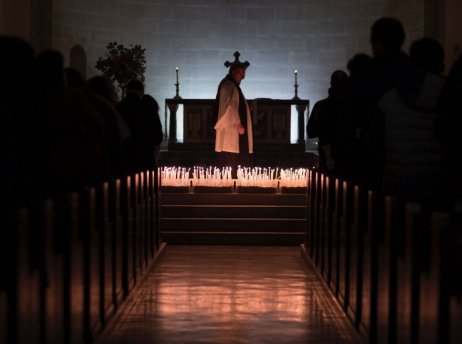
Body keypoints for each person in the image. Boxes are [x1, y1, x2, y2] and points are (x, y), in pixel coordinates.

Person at [370, 37, 445, 209]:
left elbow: (376, 148)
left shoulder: (388, 100)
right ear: (441, 63)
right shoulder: (452, 96)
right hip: (438, 187)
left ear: (411, 61)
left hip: (397, 187)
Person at [214, 52, 253, 178]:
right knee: (231, 163)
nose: (243, 78)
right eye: (242, 75)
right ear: (234, 72)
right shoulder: (228, 85)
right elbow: (228, 108)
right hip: (231, 132)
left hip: (233, 131)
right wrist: (238, 124)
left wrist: (246, 109)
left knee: (234, 161)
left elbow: (235, 104)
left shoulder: (232, 85)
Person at [306, 69, 348, 173]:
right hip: (348, 156)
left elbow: (311, 132)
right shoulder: (353, 106)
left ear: (331, 84)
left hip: (327, 155)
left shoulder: (321, 106)